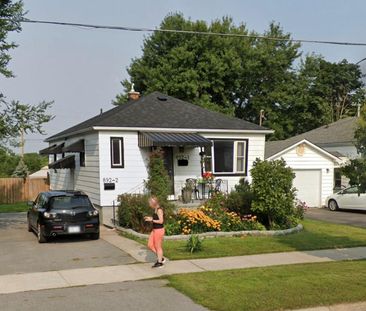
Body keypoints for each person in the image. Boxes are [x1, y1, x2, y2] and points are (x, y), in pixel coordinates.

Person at [144, 196, 165, 268]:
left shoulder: (159, 210)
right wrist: (151, 218)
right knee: (150, 245)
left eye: (150, 203)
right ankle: (161, 257)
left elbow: (161, 221)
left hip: (159, 230)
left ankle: (160, 262)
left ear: (153, 203)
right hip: (154, 230)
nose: (149, 205)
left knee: (158, 247)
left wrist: (152, 220)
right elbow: (156, 218)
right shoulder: (155, 209)